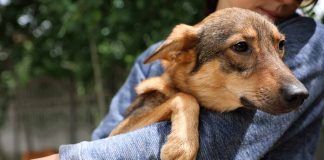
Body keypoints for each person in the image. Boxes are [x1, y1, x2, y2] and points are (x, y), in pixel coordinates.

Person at [39, 0, 324, 159]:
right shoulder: (154, 59)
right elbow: (107, 141)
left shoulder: (310, 41)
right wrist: (180, 103)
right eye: (241, 47)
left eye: (279, 46)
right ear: (180, 53)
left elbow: (214, 147)